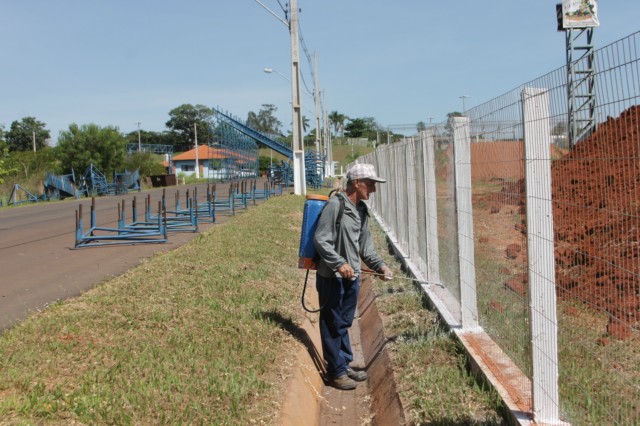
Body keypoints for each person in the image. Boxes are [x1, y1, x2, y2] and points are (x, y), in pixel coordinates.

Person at [313, 163, 393, 390]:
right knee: (332, 322)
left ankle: (343, 362)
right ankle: (335, 372)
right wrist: (339, 264)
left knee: (344, 321)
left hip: (352, 278)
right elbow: (321, 239)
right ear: (356, 183)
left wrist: (381, 267)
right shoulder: (335, 205)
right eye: (370, 184)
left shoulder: (361, 211)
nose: (374, 190)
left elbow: (366, 248)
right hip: (331, 277)